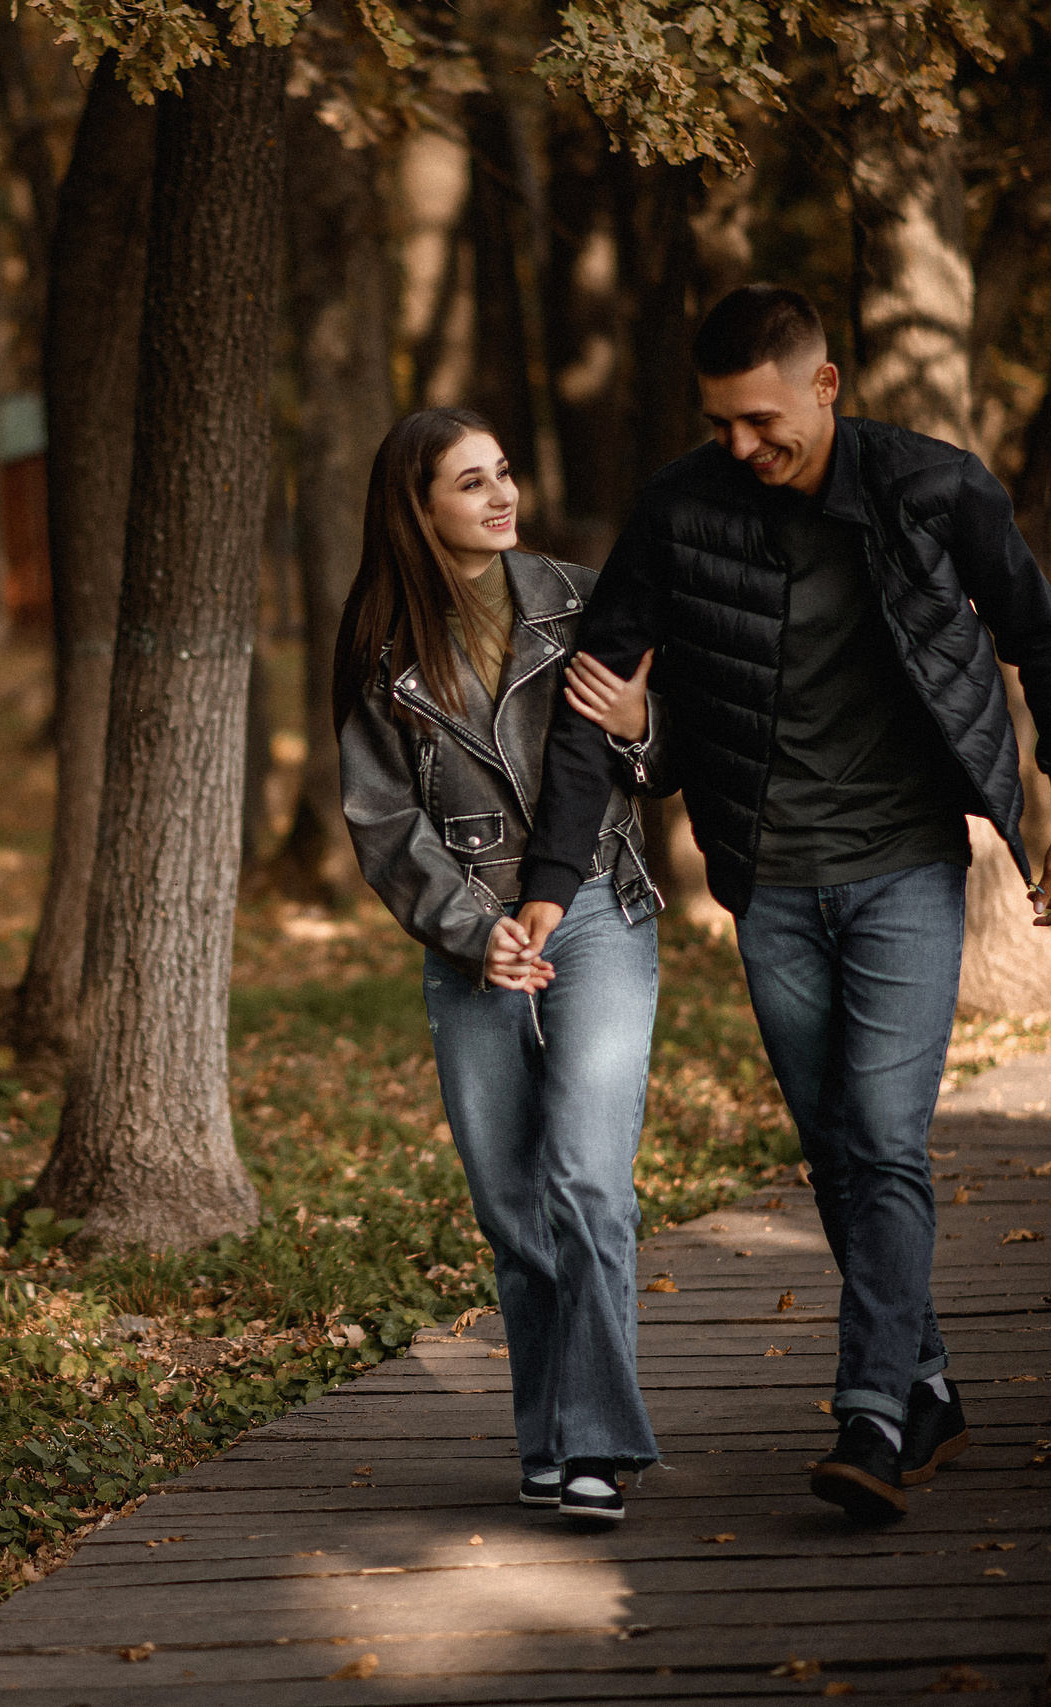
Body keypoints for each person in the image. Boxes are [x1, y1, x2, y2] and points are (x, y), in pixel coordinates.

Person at [519, 285, 1051, 1525]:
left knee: (884, 1137)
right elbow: (597, 704)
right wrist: (547, 886)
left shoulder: (933, 489)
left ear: (825, 385)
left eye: (762, 418)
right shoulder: (680, 510)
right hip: (769, 882)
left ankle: (872, 1415)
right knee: (837, 1148)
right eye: (723, 423)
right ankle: (927, 1383)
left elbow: (1040, 636)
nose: (742, 444)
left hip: (903, 867)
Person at [336, 407, 670, 1523]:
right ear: (418, 507)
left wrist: (637, 722)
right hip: (472, 937)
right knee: (513, 1209)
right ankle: (549, 1437)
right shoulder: (382, 644)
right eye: (468, 483)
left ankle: (600, 1447)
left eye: (504, 473)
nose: (499, 495)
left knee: (586, 1179)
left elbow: (670, 759)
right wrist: (477, 933)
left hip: (598, 911)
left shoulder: (582, 598)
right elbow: (383, 820)